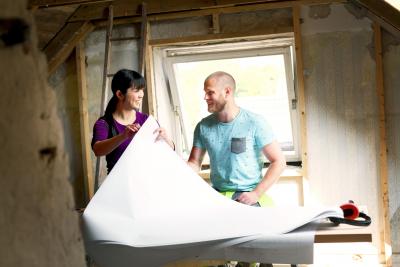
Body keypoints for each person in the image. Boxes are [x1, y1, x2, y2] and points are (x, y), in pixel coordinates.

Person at [188, 71, 286, 207]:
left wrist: (256, 194)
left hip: (249, 194)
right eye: (205, 93)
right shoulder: (203, 126)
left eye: (210, 93)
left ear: (227, 92)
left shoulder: (255, 122)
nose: (205, 97)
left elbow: (279, 162)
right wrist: (167, 150)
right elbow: (194, 163)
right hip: (218, 195)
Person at [92, 69, 174, 174]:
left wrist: (166, 138)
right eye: (136, 90)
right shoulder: (104, 123)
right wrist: (123, 136)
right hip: (118, 185)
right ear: (120, 94)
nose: (141, 95)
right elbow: (97, 150)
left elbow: (170, 150)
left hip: (147, 182)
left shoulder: (146, 120)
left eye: (142, 90)